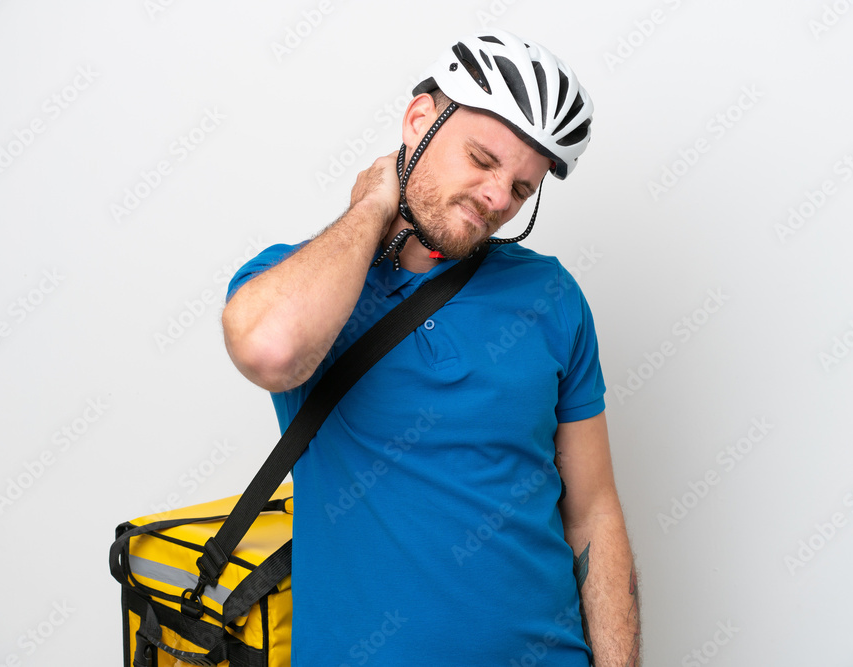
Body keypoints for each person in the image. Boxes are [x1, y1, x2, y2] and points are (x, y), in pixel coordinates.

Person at [222, 29, 640, 666]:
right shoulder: (300, 280)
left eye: (521, 189)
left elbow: (594, 513)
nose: (498, 198)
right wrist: (373, 205)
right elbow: (271, 351)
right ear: (419, 120)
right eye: (482, 158)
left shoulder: (550, 295)